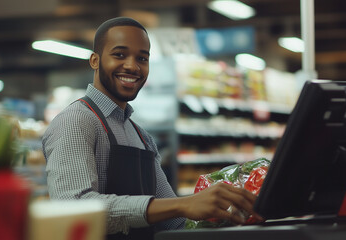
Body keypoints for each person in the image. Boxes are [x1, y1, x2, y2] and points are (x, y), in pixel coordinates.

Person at [42, 17, 261, 240]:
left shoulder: (141, 136)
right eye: (119, 54)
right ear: (95, 61)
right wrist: (182, 204)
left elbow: (175, 223)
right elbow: (74, 209)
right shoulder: (75, 121)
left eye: (142, 58)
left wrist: (231, 214)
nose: (132, 66)